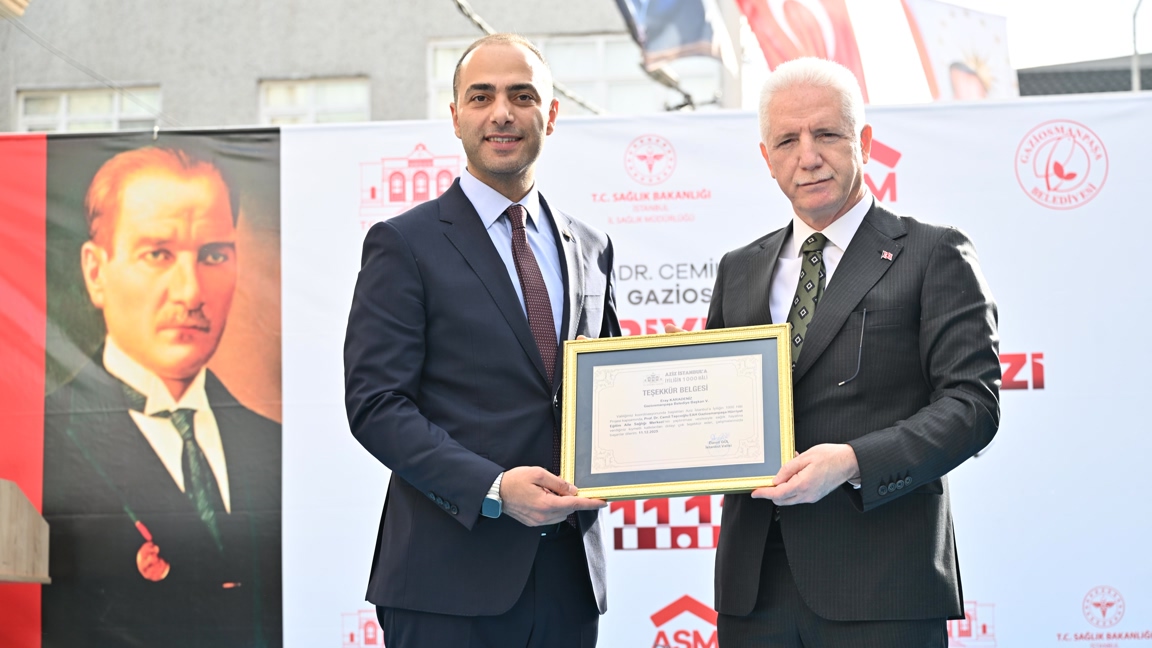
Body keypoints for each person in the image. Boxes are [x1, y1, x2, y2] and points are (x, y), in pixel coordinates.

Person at [705, 57, 1000, 647]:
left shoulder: (931, 252)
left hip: (882, 585)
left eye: (827, 134)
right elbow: (714, 404)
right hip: (754, 591)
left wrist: (852, 462)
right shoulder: (739, 269)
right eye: (787, 140)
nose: (808, 156)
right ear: (766, 157)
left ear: (863, 141)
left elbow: (973, 404)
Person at [343, 34, 619, 648]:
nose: (502, 112)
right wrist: (493, 490)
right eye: (482, 96)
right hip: (447, 583)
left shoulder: (591, 247)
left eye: (522, 96)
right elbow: (375, 405)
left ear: (550, 114)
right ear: (456, 117)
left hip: (569, 581)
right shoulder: (404, 244)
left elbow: (612, 396)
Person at [42, 146, 282, 647]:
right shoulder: (39, 440)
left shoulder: (276, 446)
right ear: (95, 272)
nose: (190, 291)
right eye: (158, 254)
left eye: (213, 254)